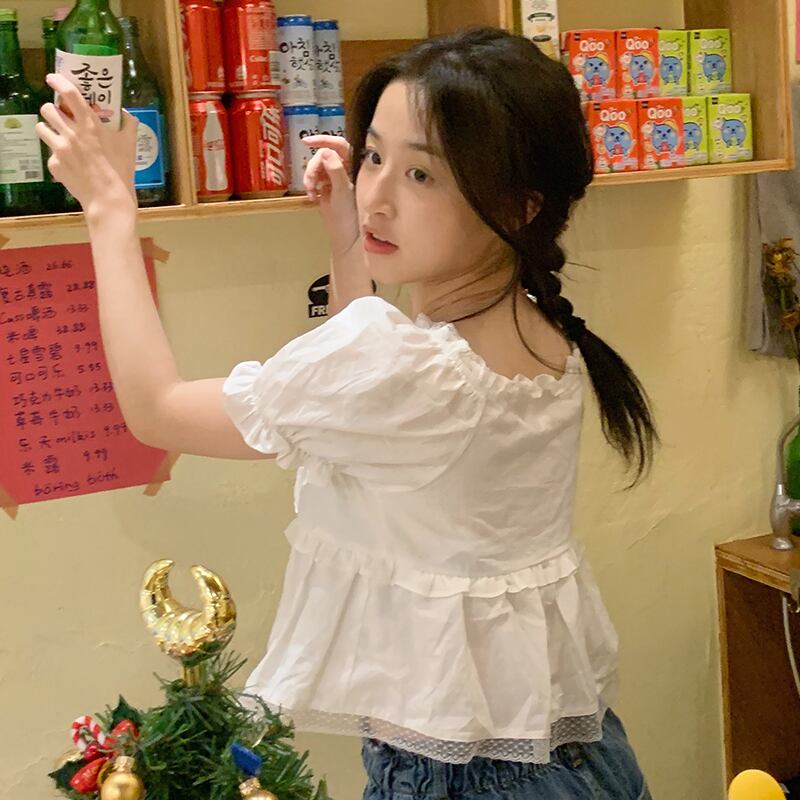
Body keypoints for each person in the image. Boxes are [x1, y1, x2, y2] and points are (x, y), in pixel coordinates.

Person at [37, 26, 658, 800]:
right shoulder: (541, 330)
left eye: (421, 174)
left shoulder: (412, 372)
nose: (378, 196)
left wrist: (109, 211)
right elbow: (364, 398)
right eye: (373, 156)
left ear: (516, 205)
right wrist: (345, 238)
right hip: (580, 755)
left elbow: (156, 411)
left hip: (463, 779)